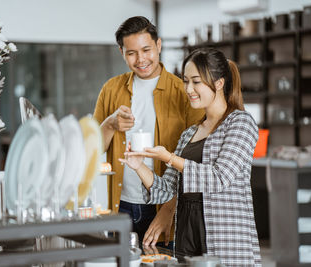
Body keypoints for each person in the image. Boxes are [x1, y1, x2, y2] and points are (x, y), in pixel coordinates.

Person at [120, 48, 262, 266]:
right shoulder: (189, 133)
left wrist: (169, 157)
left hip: (224, 239)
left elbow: (219, 177)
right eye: (186, 81)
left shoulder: (240, 123)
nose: (188, 89)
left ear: (219, 83)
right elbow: (166, 189)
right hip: (187, 234)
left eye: (196, 82)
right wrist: (138, 166)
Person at [93, 16, 204, 247]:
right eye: (131, 52)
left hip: (165, 208)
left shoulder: (184, 92)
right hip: (119, 205)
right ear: (121, 52)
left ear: (159, 45)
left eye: (146, 49)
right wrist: (111, 124)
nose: (141, 59)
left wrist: (167, 210)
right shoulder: (111, 89)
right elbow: (94, 149)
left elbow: (195, 161)